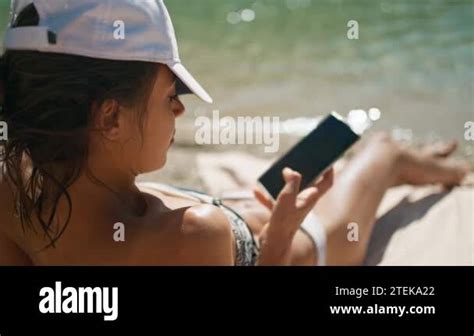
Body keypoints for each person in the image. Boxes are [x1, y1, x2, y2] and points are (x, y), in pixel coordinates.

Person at [0, 0, 469, 266]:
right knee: (380, 154)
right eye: (171, 94)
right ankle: (427, 163)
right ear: (110, 119)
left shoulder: (12, 192)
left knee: (277, 185)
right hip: (291, 248)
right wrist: (281, 239)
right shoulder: (194, 236)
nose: (181, 108)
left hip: (228, 213)